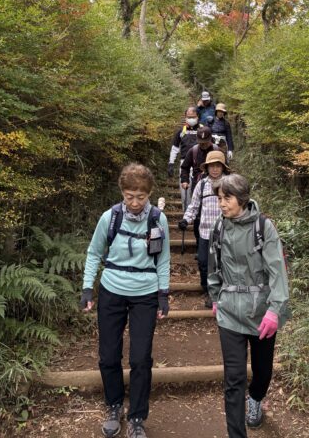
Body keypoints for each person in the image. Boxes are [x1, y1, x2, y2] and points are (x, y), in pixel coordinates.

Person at [80, 163, 170, 438]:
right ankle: (114, 404)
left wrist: (163, 294)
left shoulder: (157, 220)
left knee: (141, 358)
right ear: (122, 192)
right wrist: (87, 288)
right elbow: (95, 252)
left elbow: (163, 259)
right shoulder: (110, 218)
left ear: (149, 194)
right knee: (108, 355)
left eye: (141, 197)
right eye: (129, 196)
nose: (135, 202)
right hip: (112, 289)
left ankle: (137, 417)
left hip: (145, 292)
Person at [208, 174, 289, 438]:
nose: (221, 203)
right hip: (230, 311)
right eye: (220, 198)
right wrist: (215, 298)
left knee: (262, 371)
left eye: (227, 198)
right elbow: (213, 265)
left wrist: (275, 310)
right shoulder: (219, 227)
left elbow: (277, 271)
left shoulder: (263, 227)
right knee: (233, 379)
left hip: (261, 311)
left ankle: (255, 398)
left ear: (241, 199)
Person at [178, 151, 229, 307]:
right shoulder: (201, 184)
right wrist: (186, 219)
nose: (215, 169)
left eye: (218, 166)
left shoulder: (229, 184)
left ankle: (222, 292)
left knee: (223, 263)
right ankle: (208, 290)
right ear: (207, 168)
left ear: (223, 167)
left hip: (225, 232)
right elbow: (193, 206)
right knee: (203, 262)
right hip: (205, 232)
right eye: (212, 166)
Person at [180, 127, 220, 253]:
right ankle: (200, 244)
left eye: (205, 142)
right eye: (201, 142)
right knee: (197, 215)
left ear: (210, 139)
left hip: (217, 185)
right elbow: (185, 167)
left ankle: (216, 244)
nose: (203, 144)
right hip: (198, 185)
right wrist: (184, 180)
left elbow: (225, 167)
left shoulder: (217, 150)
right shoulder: (194, 150)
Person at [167, 106, 203, 210]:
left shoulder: (203, 130)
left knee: (199, 190)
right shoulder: (181, 131)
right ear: (185, 117)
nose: (191, 119)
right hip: (184, 164)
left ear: (198, 116)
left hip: (200, 164)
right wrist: (171, 163)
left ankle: (198, 213)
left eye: (193, 117)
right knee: (184, 191)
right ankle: (186, 213)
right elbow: (175, 148)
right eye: (189, 117)